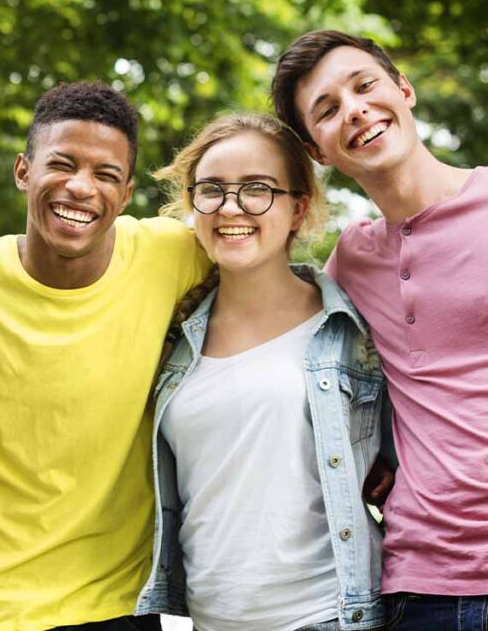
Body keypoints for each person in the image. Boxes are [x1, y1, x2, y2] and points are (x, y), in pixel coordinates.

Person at [272, 30, 488, 630]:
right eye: (327, 110)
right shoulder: (350, 263)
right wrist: (374, 454)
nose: (354, 109)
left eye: (365, 86)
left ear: (403, 90)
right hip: (416, 592)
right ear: (319, 151)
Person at [0, 81, 211, 630]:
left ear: (127, 192)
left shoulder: (172, 253)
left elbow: (271, 280)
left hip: (121, 604)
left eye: (105, 175)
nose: (81, 188)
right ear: (23, 171)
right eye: (62, 164)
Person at [134, 113, 390, 631]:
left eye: (257, 189)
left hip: (330, 617)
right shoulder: (171, 340)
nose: (231, 207)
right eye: (212, 190)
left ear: (297, 208)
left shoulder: (350, 330)